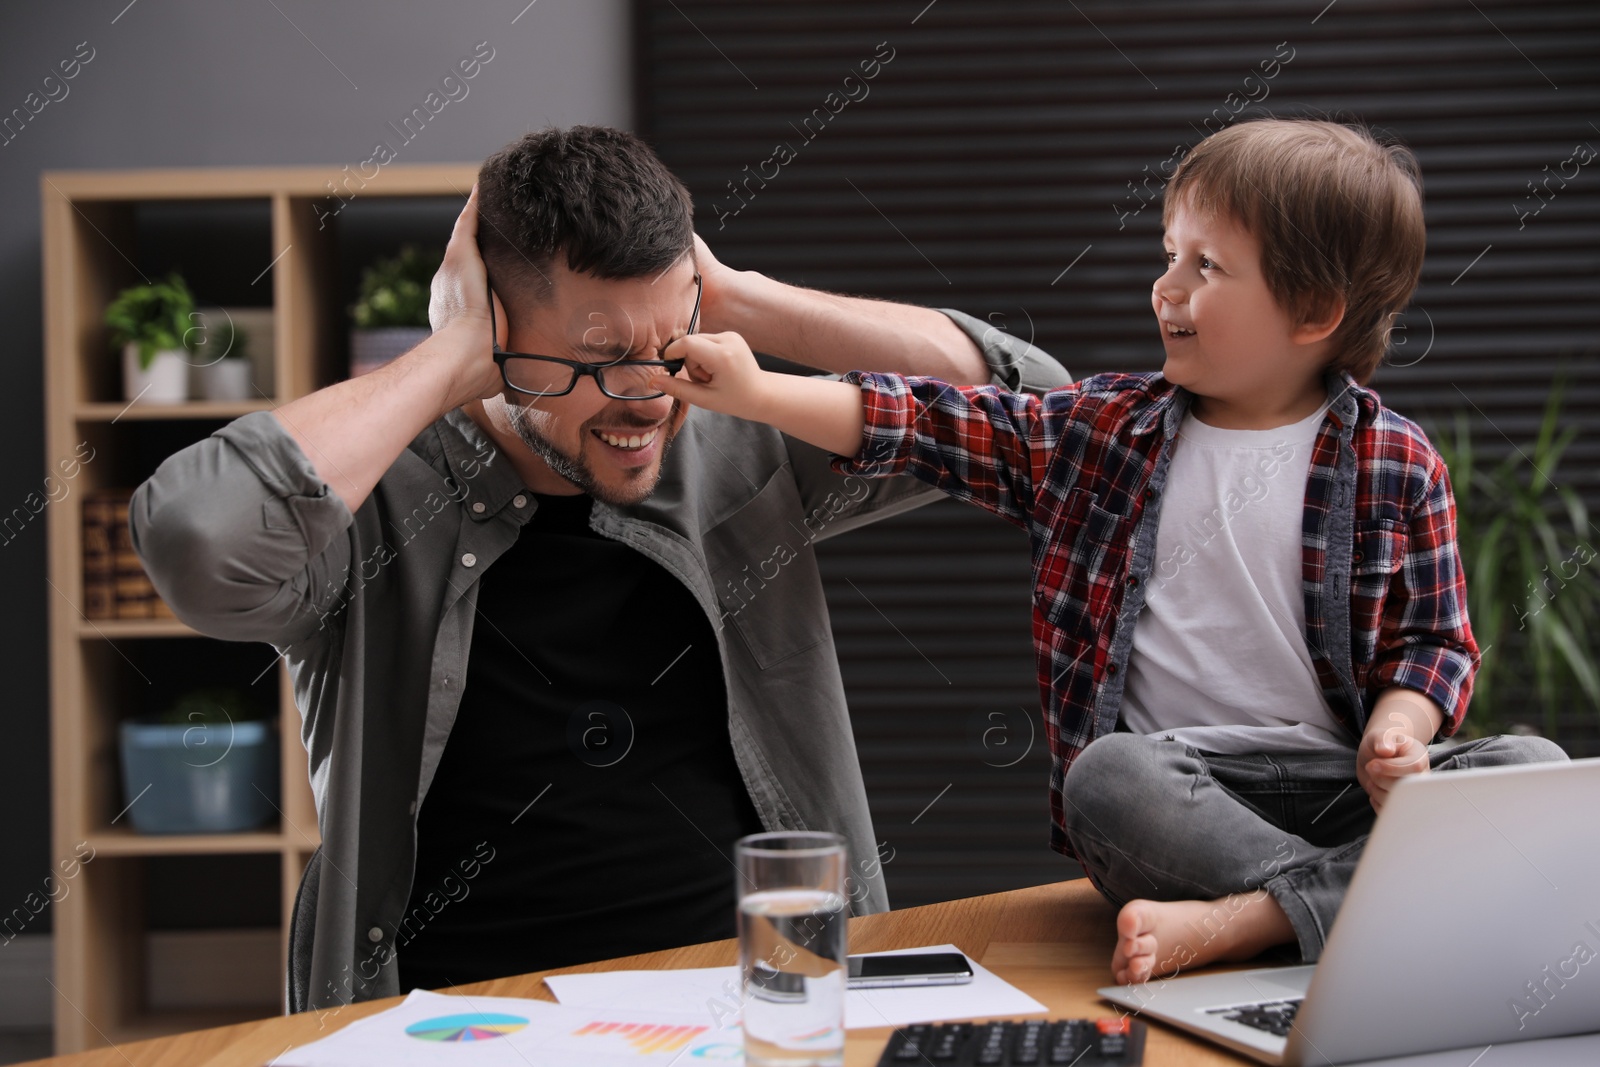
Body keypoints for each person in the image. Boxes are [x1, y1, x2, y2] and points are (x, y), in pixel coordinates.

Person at [129, 126, 1069, 1008]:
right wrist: (450, 352)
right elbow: (198, 543)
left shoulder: (740, 449)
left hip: (747, 1005)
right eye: (602, 356)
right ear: (497, 328)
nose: (647, 397)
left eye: (667, 345)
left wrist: (735, 297)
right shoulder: (377, 493)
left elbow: (1036, 410)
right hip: (454, 1022)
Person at [650, 117, 1568, 989]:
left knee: (1529, 767)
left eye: (1206, 266)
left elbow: (1435, 644)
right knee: (1108, 776)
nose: (1166, 288)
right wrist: (759, 390)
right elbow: (926, 422)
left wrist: (1399, 726)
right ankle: (1351, 908)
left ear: (1315, 311)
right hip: (1189, 794)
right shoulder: (1103, 432)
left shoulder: (1397, 460)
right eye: (1169, 256)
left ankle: (1261, 918)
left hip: (1339, 787)